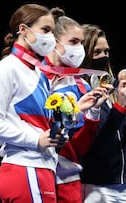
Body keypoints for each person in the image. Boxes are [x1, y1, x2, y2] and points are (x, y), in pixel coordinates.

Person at [0, 4, 60, 203]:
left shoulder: (39, 73)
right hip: (25, 167)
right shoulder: (8, 67)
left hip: (42, 168)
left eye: (52, 31)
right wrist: (35, 140)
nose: (50, 37)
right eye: (45, 30)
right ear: (23, 30)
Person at [41, 8, 113, 203]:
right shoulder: (35, 76)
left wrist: (92, 113)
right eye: (74, 42)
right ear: (54, 43)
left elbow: (79, 146)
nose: (79, 48)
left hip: (67, 178)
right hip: (36, 170)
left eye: (81, 43)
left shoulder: (82, 84)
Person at [79, 24, 126, 203]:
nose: (104, 57)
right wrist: (119, 110)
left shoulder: (112, 87)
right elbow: (95, 143)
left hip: (125, 183)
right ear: (84, 54)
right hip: (97, 184)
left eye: (106, 52)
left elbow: (118, 140)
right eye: (97, 53)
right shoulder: (82, 92)